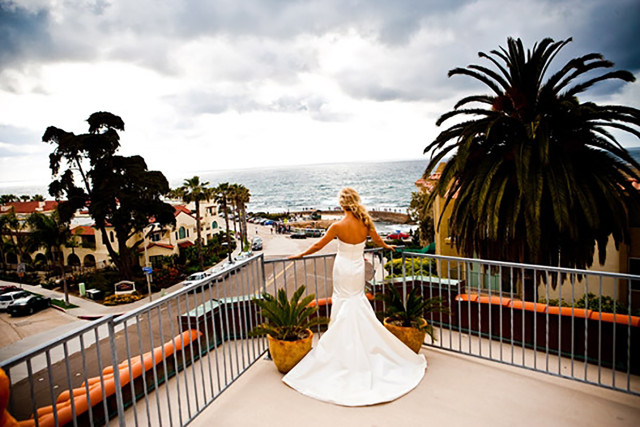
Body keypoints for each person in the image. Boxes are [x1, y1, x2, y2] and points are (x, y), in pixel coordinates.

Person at [283, 187, 426, 406]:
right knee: (356, 300)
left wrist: (299, 255)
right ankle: (363, 346)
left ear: (342, 205)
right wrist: (389, 246)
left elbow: (317, 245)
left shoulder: (337, 226)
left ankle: (343, 352)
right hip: (358, 267)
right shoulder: (365, 223)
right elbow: (379, 241)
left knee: (343, 302)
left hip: (342, 268)